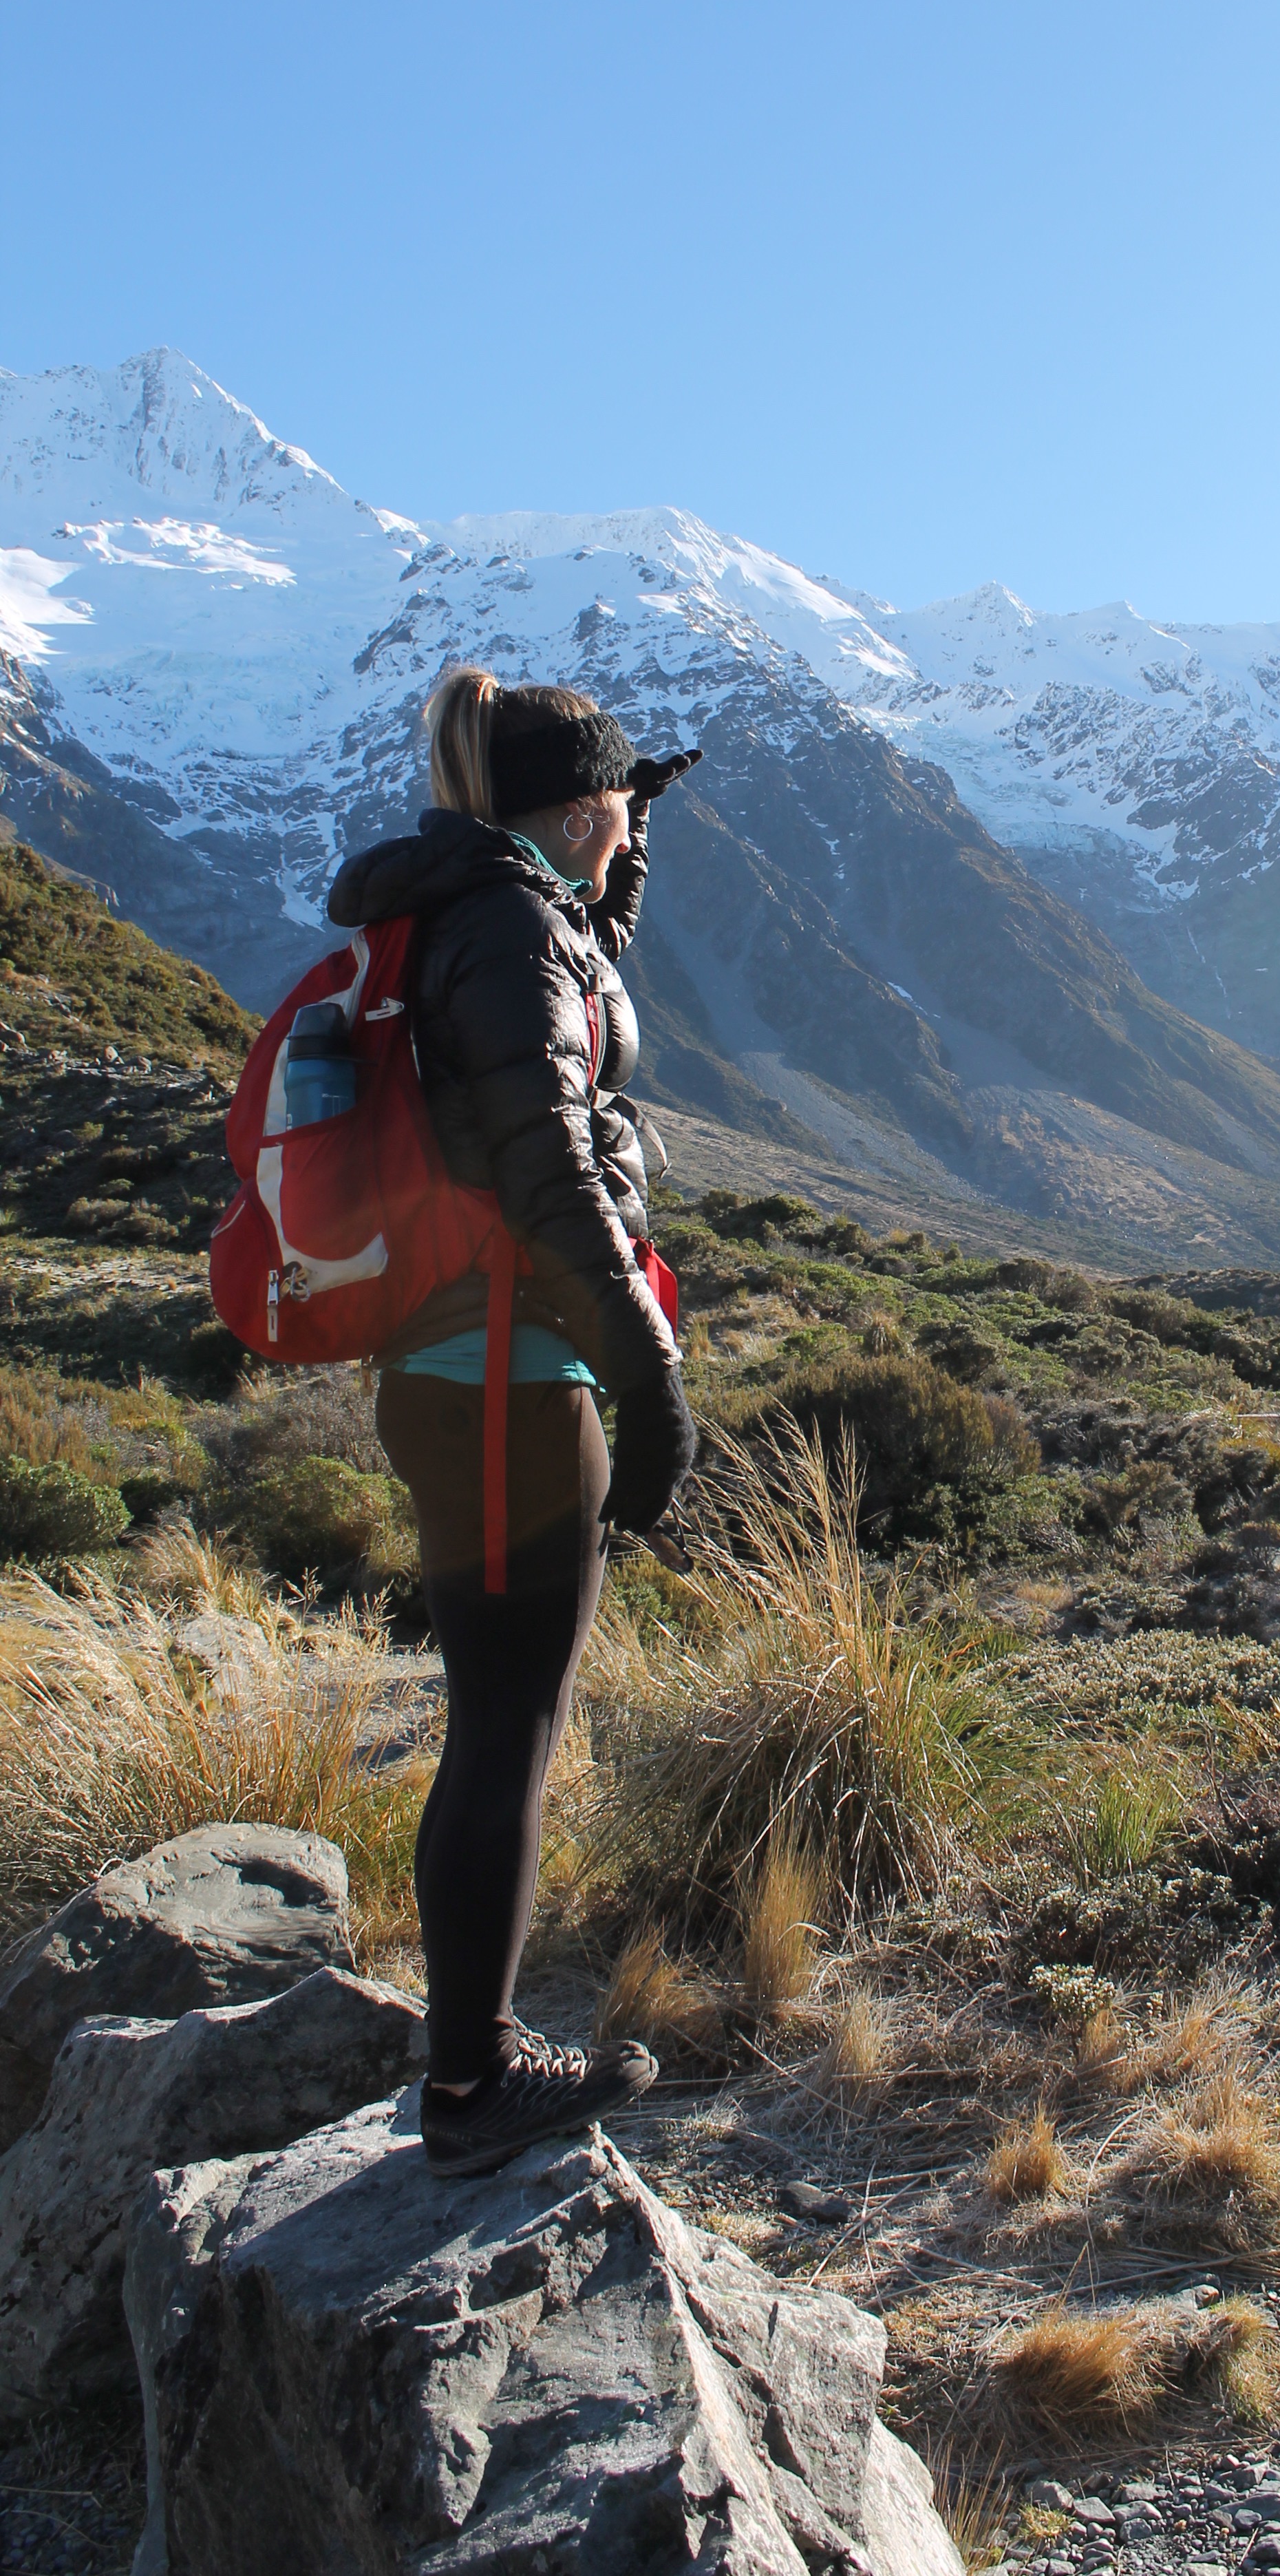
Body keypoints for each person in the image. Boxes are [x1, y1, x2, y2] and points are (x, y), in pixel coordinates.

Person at [326, 667, 698, 2177]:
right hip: (508, 1379)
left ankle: (471, 2059)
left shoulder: (490, 909)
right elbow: (545, 1157)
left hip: (475, 1367)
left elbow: (550, 1013)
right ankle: (474, 2087)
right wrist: (646, 1373)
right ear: (576, 806)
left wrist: (621, 867)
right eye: (612, 806)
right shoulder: (508, 926)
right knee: (505, 1728)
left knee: (503, 1718)